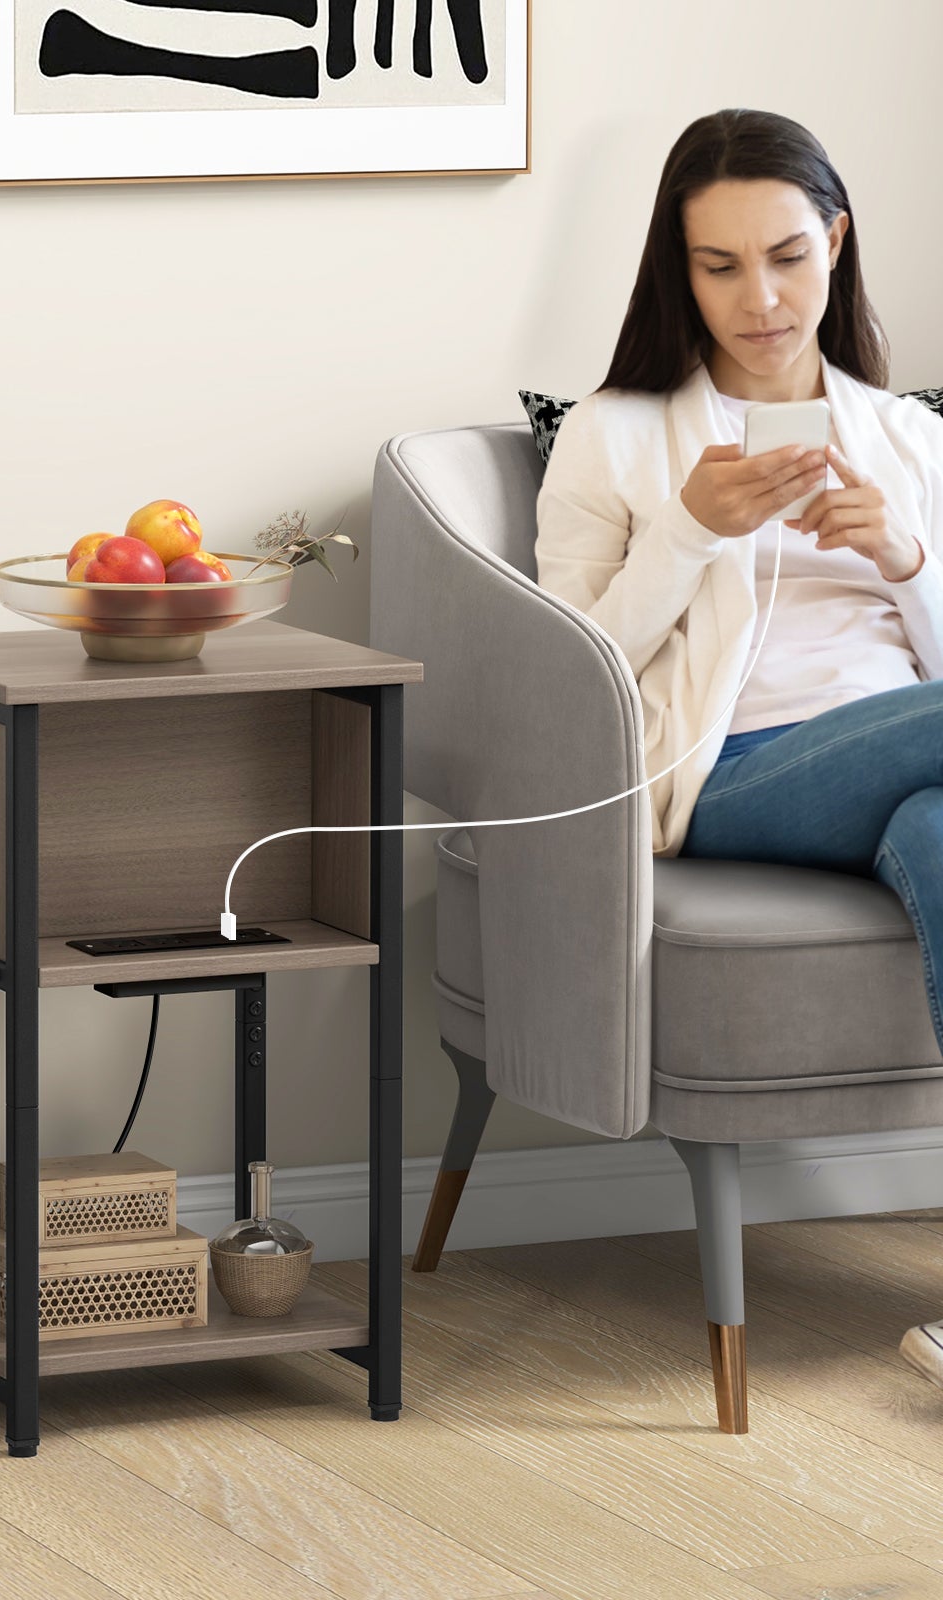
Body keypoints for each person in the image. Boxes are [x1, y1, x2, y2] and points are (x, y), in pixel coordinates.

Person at [532, 108, 943, 1393]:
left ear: (834, 240)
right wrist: (686, 535)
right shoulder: (616, 433)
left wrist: (904, 558)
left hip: (903, 759)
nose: (759, 298)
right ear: (678, 267)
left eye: (784, 256)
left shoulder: (908, 437)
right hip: (733, 770)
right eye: (719, 267)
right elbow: (566, 679)